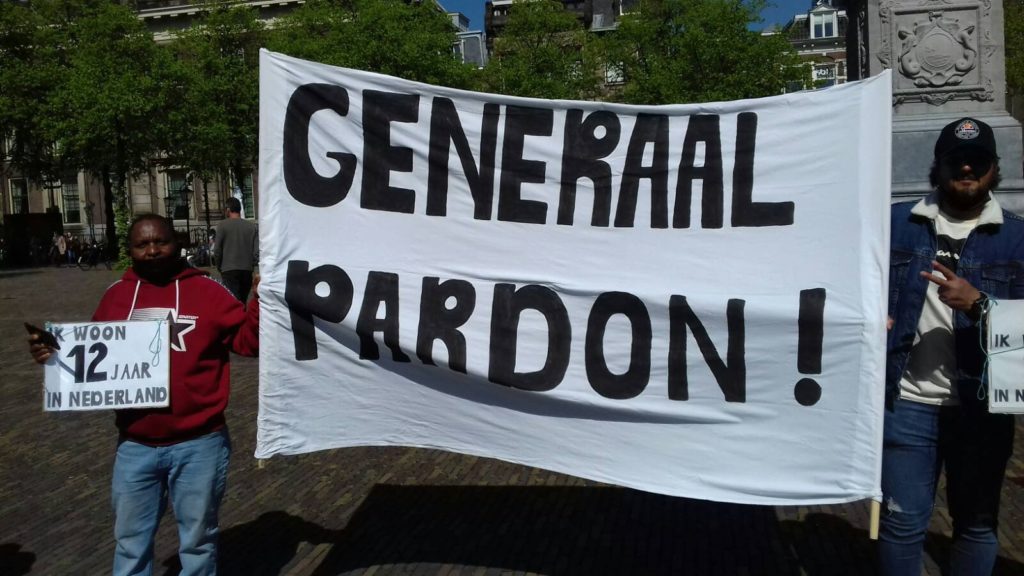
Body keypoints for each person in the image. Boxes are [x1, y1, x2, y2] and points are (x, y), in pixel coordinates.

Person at [28, 214, 259, 576]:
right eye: (142, 244)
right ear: (131, 250)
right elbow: (93, 359)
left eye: (160, 242)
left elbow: (249, 341)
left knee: (198, 543)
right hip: (135, 445)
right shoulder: (117, 296)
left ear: (176, 242)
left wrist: (260, 302)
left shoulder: (210, 291)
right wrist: (53, 355)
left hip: (200, 443)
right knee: (130, 543)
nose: (152, 250)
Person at [880, 117, 1024, 575]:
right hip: (906, 402)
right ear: (937, 166)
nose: (966, 168)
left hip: (982, 407)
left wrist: (979, 304)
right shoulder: (896, 224)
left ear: (994, 168)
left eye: (977, 161)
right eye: (955, 160)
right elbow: (851, 283)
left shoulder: (1018, 236)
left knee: (977, 526)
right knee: (902, 523)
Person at [213, 197, 258, 302]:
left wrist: (219, 266)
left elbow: (217, 250)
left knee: (233, 302)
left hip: (228, 269)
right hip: (247, 269)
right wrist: (253, 266)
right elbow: (256, 252)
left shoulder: (222, 226)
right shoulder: (251, 227)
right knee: (242, 301)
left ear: (228, 209)